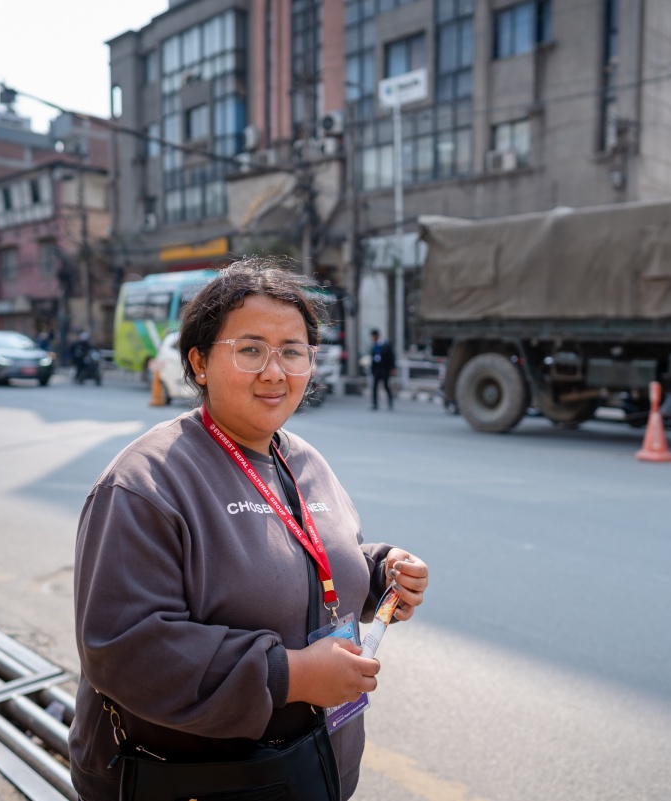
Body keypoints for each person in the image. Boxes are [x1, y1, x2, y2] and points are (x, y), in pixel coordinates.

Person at [69, 257, 429, 801]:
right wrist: (292, 676)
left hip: (311, 770)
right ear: (199, 362)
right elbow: (124, 648)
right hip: (196, 781)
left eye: (293, 351)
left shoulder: (303, 459)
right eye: (251, 349)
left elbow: (311, 562)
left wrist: (381, 572)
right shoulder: (146, 483)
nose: (275, 371)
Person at [369, 328, 395, 411]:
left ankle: (390, 402)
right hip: (377, 369)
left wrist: (392, 368)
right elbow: (373, 358)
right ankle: (375, 404)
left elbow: (391, 357)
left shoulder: (385, 344)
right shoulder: (374, 345)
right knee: (375, 387)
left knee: (386, 386)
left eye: (373, 336)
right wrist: (372, 369)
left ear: (376, 336)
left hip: (385, 369)